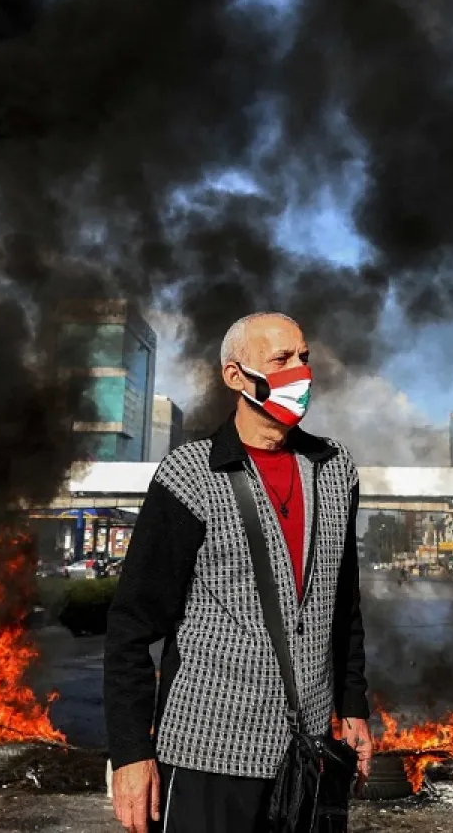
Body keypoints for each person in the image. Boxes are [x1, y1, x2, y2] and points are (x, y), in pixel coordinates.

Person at [106, 312, 372, 833]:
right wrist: (132, 755)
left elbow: (343, 606)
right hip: (208, 751)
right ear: (235, 376)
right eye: (281, 360)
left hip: (308, 752)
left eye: (304, 358)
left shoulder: (336, 468)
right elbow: (132, 625)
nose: (301, 372)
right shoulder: (189, 475)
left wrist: (353, 705)